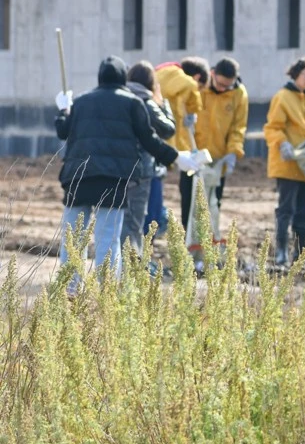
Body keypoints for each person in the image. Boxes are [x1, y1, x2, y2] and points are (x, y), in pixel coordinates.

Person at [54, 56, 190, 284]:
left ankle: (69, 287)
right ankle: (106, 290)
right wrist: (175, 157)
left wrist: (63, 110)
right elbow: (149, 140)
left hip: (78, 177)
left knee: (73, 237)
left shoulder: (81, 102)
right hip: (113, 179)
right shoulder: (132, 103)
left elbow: (63, 131)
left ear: (100, 77)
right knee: (108, 237)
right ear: (122, 79)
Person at [263, 56, 305, 267]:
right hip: (288, 164)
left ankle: (301, 250)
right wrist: (283, 144)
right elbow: (273, 127)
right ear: (296, 74)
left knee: (303, 209)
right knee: (286, 209)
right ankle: (281, 250)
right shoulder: (282, 97)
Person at [121, 61, 177, 254]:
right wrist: (163, 102)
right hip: (144, 168)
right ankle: (135, 261)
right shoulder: (146, 101)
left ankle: (124, 261)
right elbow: (168, 129)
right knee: (139, 219)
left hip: (120, 167)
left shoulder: (122, 98)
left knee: (122, 218)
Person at [192, 57, 248, 234]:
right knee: (190, 202)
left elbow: (238, 127)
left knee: (214, 201)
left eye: (227, 85)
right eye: (220, 84)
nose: (224, 88)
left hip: (219, 158)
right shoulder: (199, 87)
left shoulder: (239, 93)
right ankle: (189, 242)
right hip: (194, 156)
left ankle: (209, 240)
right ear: (212, 74)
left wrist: (233, 151)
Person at [154, 56, 210, 231]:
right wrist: (193, 109)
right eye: (200, 88)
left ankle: (158, 217)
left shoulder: (164, 77)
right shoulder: (185, 82)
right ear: (197, 77)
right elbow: (191, 96)